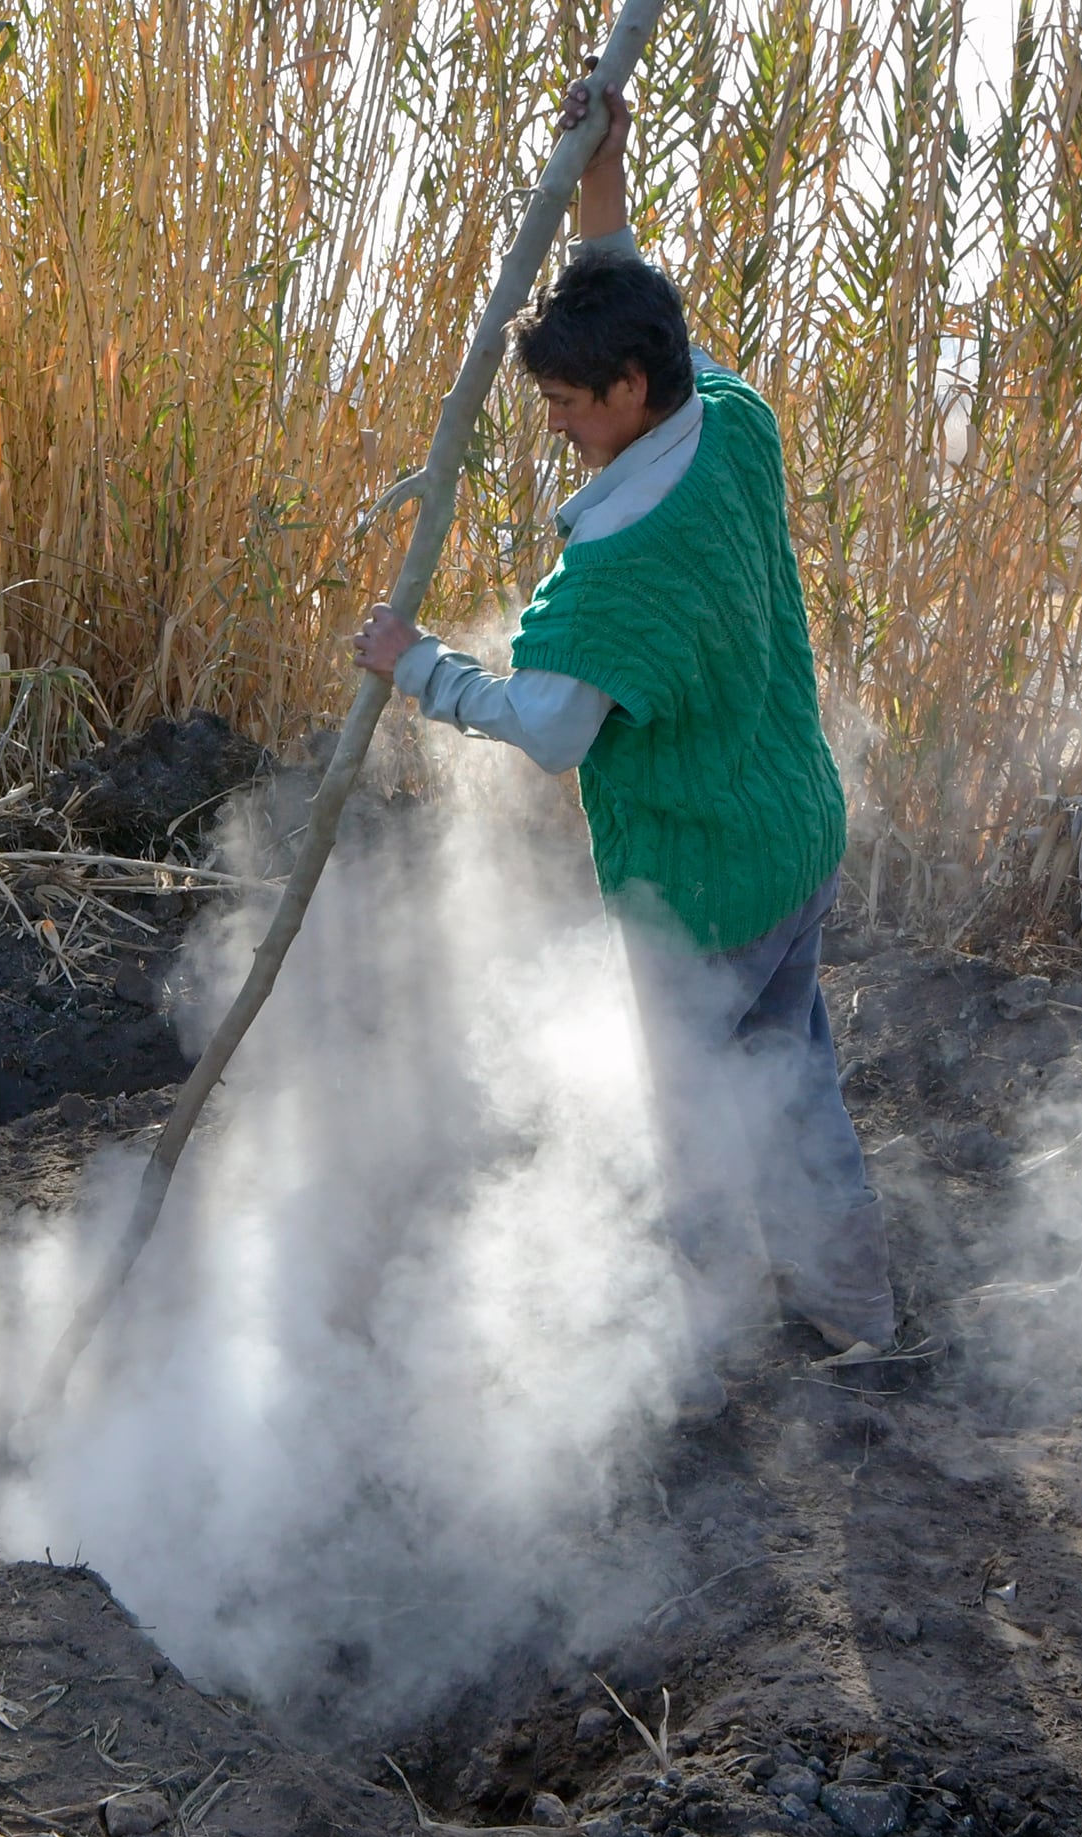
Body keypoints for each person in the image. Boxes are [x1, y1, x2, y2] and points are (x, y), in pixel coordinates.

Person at [350, 69, 897, 1377]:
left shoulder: (621, 567)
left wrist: (414, 664)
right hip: (791, 834)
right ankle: (857, 1318)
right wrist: (603, 169)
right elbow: (626, 283)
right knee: (789, 1079)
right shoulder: (730, 421)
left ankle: (701, 1352)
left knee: (696, 1117)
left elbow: (549, 729)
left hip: (701, 884)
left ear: (630, 392)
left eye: (567, 407)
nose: (554, 426)